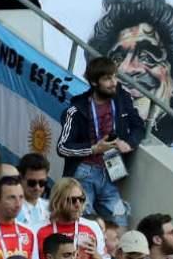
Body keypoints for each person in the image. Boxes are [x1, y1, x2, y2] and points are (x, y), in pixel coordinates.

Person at [56, 56, 143, 228]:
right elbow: (62, 147)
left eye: (115, 76)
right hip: (83, 173)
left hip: (111, 171)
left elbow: (138, 126)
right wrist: (94, 148)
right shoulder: (76, 110)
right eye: (107, 78)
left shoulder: (122, 98)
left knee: (120, 218)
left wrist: (130, 143)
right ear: (95, 83)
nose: (114, 82)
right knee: (82, 222)